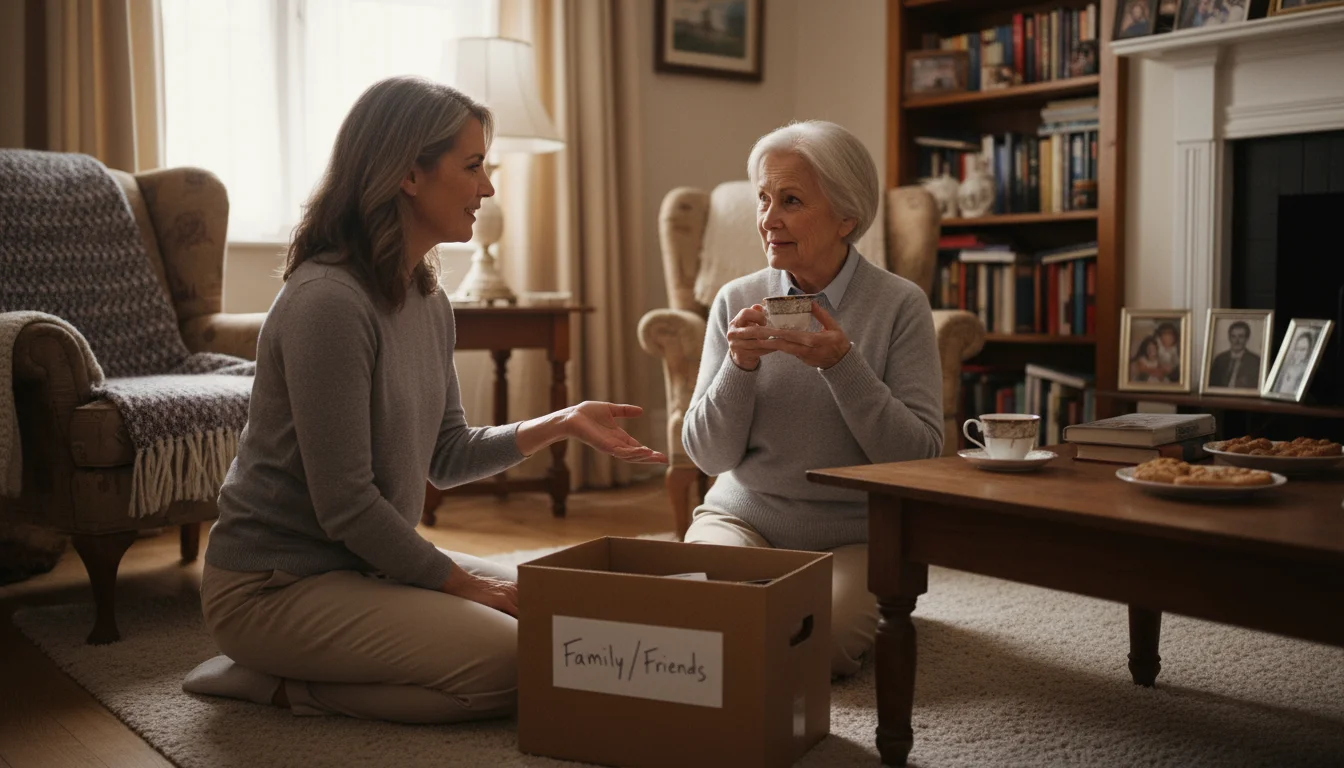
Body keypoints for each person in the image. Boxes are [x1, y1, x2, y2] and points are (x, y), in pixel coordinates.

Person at [181, 76, 666, 724]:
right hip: (274, 588)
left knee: (565, 617)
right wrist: (468, 586)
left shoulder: (427, 298)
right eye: (473, 167)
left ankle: (308, 667)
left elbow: (444, 453)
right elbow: (347, 506)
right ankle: (275, 683)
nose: (488, 188)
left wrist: (562, 423)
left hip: (362, 568)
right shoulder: (328, 303)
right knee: (514, 664)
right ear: (410, 174)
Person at [681, 120, 943, 678]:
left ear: (847, 216)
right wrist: (740, 365)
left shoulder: (900, 306)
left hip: (855, 535)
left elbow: (920, 458)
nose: (768, 220)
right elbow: (708, 457)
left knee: (820, 647)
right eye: (763, 199)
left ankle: (779, 611)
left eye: (791, 201)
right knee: (699, 607)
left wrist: (843, 365)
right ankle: (765, 610)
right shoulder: (736, 300)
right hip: (743, 519)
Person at [1208, 320, 1261, 389]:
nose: (1237, 341)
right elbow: (1211, 384)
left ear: (1247, 339)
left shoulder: (1255, 361)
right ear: (1229, 338)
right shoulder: (1219, 359)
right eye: (1233, 336)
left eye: (1241, 336)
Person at [1273, 330, 1317, 395]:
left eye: (1303, 349)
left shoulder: (1307, 371)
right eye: (1297, 348)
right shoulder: (1288, 368)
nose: (1298, 353)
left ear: (1309, 351)